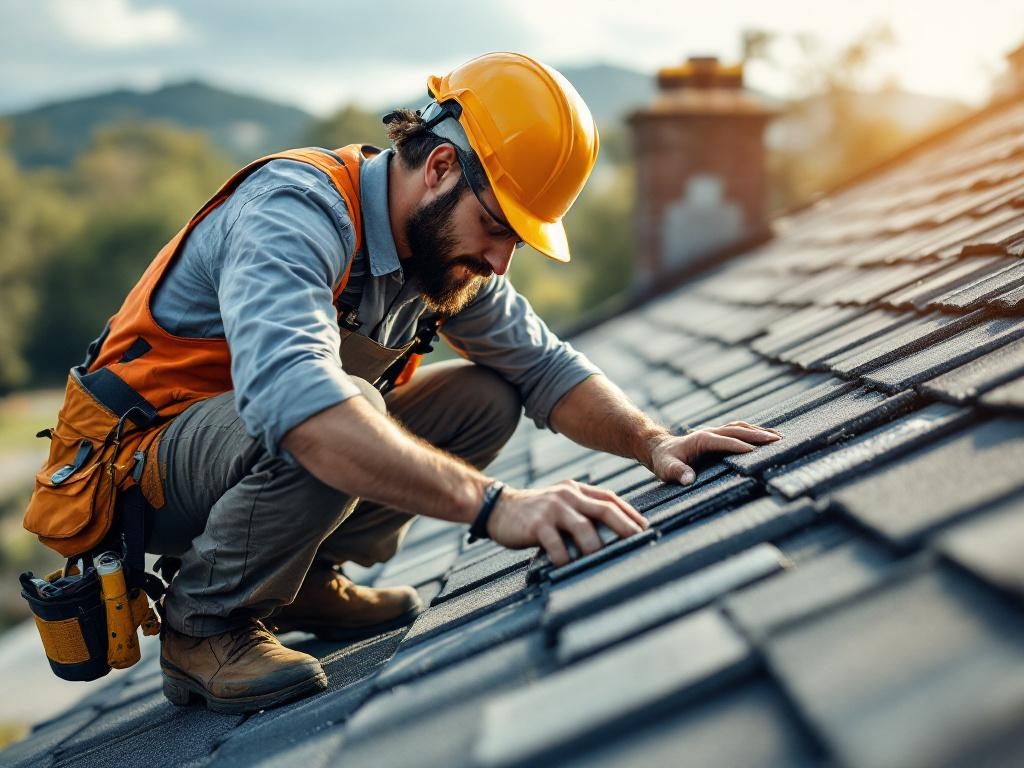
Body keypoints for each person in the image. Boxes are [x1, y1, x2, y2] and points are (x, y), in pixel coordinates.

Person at [39, 52, 781, 714]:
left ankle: (301, 581)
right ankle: (204, 625)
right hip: (140, 471)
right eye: (497, 229)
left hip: (246, 460)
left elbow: (545, 366)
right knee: (341, 404)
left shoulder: (441, 255)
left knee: (482, 396)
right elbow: (300, 407)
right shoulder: (294, 211)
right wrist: (495, 508)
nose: (499, 262)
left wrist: (655, 443)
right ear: (439, 169)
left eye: (516, 241)